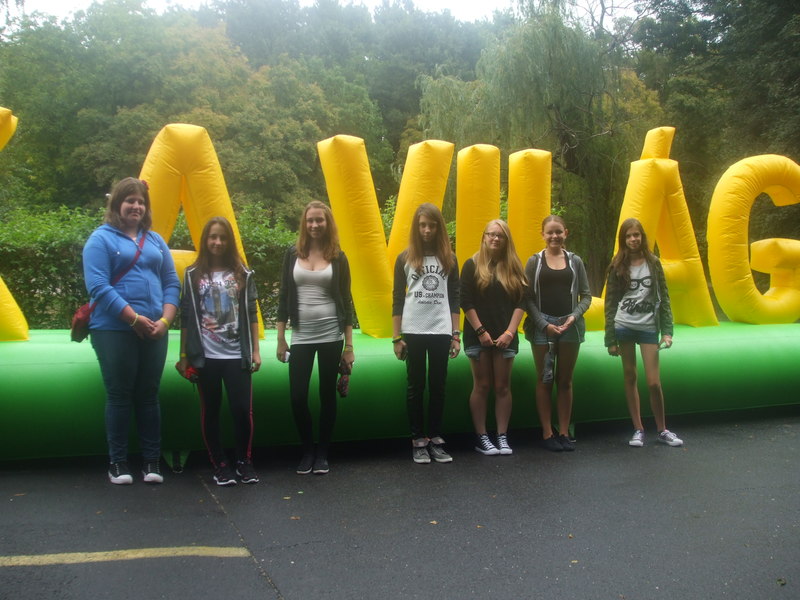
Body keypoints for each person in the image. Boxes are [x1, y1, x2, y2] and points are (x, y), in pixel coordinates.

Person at [83, 177, 180, 484]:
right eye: (130, 201)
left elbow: (171, 283)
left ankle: (152, 462)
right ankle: (118, 463)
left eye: (141, 202)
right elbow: (98, 286)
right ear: (117, 204)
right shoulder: (100, 239)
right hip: (113, 329)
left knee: (149, 395)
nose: (136, 206)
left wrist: (165, 321)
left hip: (155, 330)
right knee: (120, 394)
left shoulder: (155, 240)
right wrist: (133, 319)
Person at [178, 217, 261, 486]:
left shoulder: (243, 273)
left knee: (242, 410)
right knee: (210, 410)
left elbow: (251, 313)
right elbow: (186, 316)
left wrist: (255, 351)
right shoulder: (192, 274)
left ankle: (244, 461)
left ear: (229, 242)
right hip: (206, 357)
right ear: (205, 240)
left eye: (222, 237)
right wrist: (184, 356)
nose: (217, 242)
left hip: (237, 354)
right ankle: (219, 463)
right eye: (213, 237)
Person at [276, 201, 355, 475]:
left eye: (319, 220)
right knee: (297, 397)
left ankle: (322, 453)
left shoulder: (338, 257)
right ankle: (307, 449)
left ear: (327, 223)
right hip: (301, 335)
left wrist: (349, 346)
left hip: (331, 334)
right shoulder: (292, 254)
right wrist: (281, 338)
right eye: (310, 220)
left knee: (326, 395)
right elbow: (284, 296)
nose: (314, 225)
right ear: (304, 223)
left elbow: (346, 301)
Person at [604, 217, 683, 448]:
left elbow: (664, 296)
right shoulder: (617, 265)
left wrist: (667, 331)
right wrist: (610, 339)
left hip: (649, 327)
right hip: (624, 326)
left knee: (653, 382)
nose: (633, 239)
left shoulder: (653, 262)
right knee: (630, 377)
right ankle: (638, 429)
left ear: (642, 237)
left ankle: (662, 429)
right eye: (628, 236)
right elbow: (610, 303)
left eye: (636, 235)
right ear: (623, 239)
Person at [392, 203, 461, 464]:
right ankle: (418, 440)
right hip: (413, 330)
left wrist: (456, 334)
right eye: (422, 225)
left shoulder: (449, 259)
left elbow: (454, 297)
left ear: (439, 228)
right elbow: (397, 298)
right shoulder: (405, 258)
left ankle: (435, 437)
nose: (427, 230)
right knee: (415, 386)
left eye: (432, 225)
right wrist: (397, 337)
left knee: (438, 386)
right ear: (416, 227)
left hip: (441, 330)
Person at [523, 215, 592, 452]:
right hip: (542, 326)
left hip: (570, 326)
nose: (554, 236)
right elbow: (527, 298)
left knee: (565, 380)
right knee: (545, 379)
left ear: (566, 233)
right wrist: (543, 324)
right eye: (550, 232)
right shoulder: (534, 262)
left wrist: (574, 316)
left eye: (558, 232)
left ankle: (564, 431)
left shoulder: (575, 261)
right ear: (542, 234)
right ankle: (547, 432)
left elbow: (586, 295)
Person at [461, 219, 527, 456]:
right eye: (491, 234)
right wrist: (481, 332)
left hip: (505, 335)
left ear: (506, 240)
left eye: (500, 235)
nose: (495, 239)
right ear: (484, 236)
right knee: (482, 385)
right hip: (477, 336)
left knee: (502, 386)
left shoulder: (514, 266)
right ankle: (482, 436)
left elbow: (523, 300)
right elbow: (465, 300)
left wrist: (510, 332)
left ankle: (502, 435)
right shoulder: (471, 264)